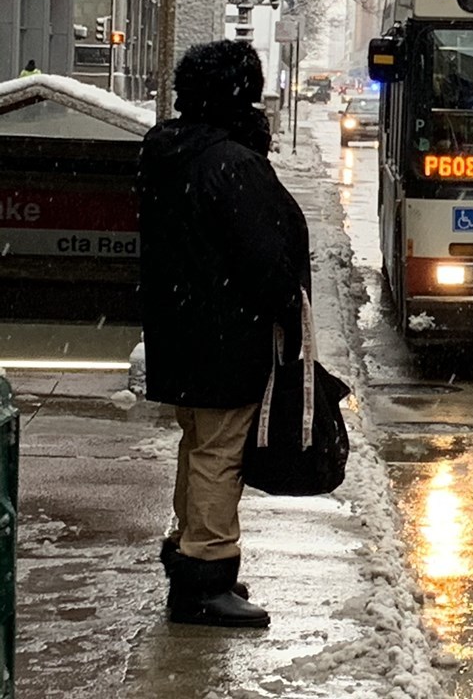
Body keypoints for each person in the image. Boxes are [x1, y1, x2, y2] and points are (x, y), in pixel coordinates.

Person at [137, 39, 311, 629]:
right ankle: (206, 578)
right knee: (218, 451)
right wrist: (288, 305)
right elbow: (263, 256)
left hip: (183, 328)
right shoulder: (230, 163)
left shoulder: (172, 152)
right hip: (224, 334)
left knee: (198, 443)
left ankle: (192, 553)